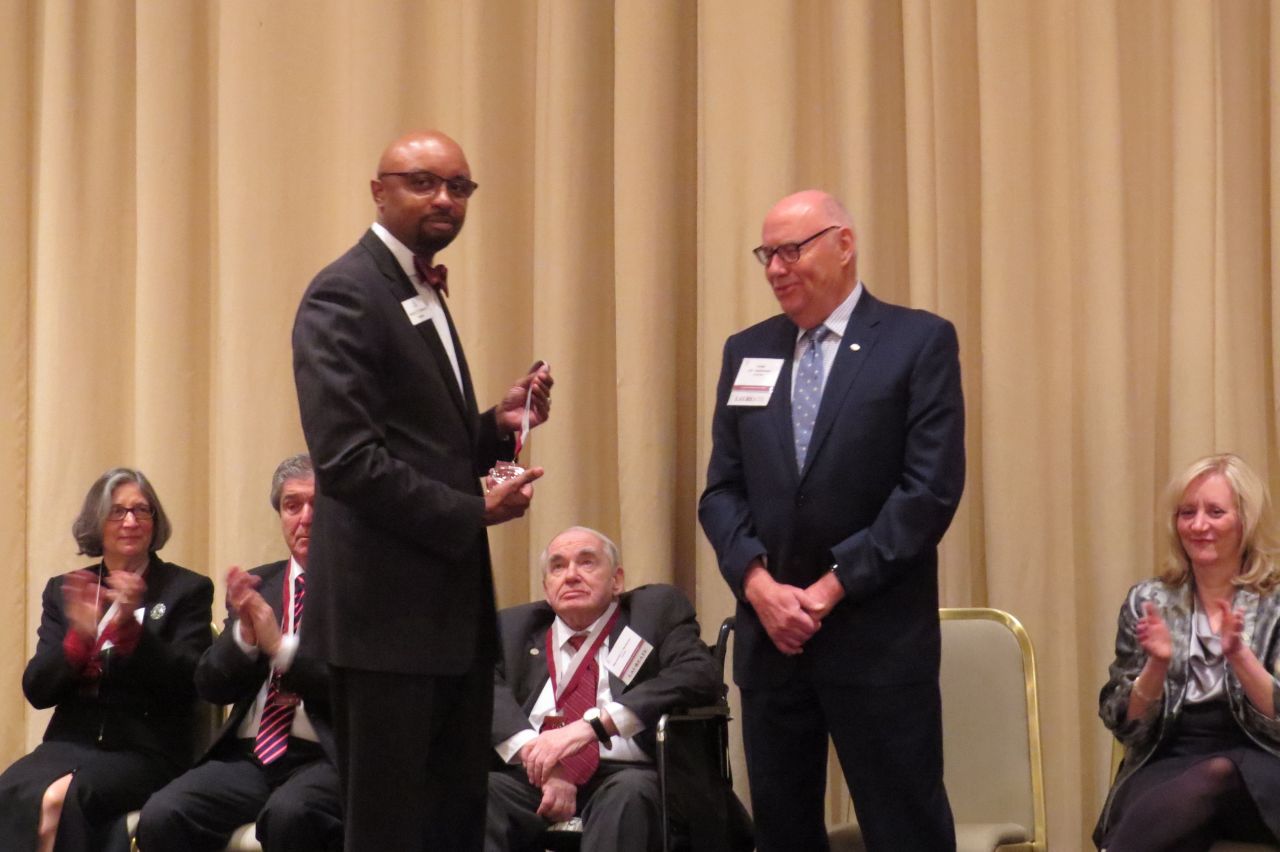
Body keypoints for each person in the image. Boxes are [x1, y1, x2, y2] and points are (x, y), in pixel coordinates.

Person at [292, 129, 554, 851]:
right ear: (379, 190)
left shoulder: (418, 285)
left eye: (460, 186)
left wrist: (495, 429)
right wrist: (476, 512)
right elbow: (347, 461)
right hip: (384, 628)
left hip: (446, 625)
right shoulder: (346, 290)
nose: (444, 198)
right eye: (423, 181)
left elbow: (420, 444)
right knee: (389, 832)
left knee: (451, 824)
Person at [698, 190, 965, 851]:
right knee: (784, 833)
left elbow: (927, 493)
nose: (776, 269)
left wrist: (826, 591)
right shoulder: (747, 350)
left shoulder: (916, 341)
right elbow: (721, 493)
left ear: (844, 244)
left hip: (874, 639)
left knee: (905, 829)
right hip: (772, 641)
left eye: (793, 250)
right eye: (767, 255)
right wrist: (760, 588)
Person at [0, 468, 213, 852]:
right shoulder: (66, 590)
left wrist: (132, 629)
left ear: (154, 521)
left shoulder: (186, 589)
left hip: (148, 746)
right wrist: (78, 639)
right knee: (10, 791)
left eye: (141, 511)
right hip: (70, 741)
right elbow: (37, 689)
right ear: (97, 523)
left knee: (60, 802)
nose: (130, 521)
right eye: (117, 512)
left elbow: (190, 681)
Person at [136, 454, 341, 851]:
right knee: (163, 813)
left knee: (290, 815)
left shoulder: (362, 590)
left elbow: (357, 687)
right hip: (251, 757)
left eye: (318, 504)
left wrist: (280, 649)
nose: (306, 517)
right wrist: (245, 638)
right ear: (280, 515)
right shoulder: (261, 584)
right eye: (292, 505)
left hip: (326, 756)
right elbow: (211, 686)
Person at [486, 526, 720, 852]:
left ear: (617, 580)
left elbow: (697, 674)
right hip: (533, 779)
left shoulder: (652, 614)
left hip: (629, 774)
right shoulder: (513, 628)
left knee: (628, 796)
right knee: (480, 795)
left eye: (586, 563)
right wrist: (541, 759)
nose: (570, 576)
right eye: (558, 566)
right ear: (546, 587)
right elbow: (484, 692)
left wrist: (593, 726)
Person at [1095, 453, 1280, 850]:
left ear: (1245, 522)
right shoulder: (1148, 599)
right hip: (1168, 755)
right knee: (1178, 815)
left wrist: (1240, 658)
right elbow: (1123, 724)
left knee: (1216, 773)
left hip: (1263, 760)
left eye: (1215, 512)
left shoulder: (1275, 602)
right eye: (1187, 512)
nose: (1198, 526)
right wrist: (1156, 667)